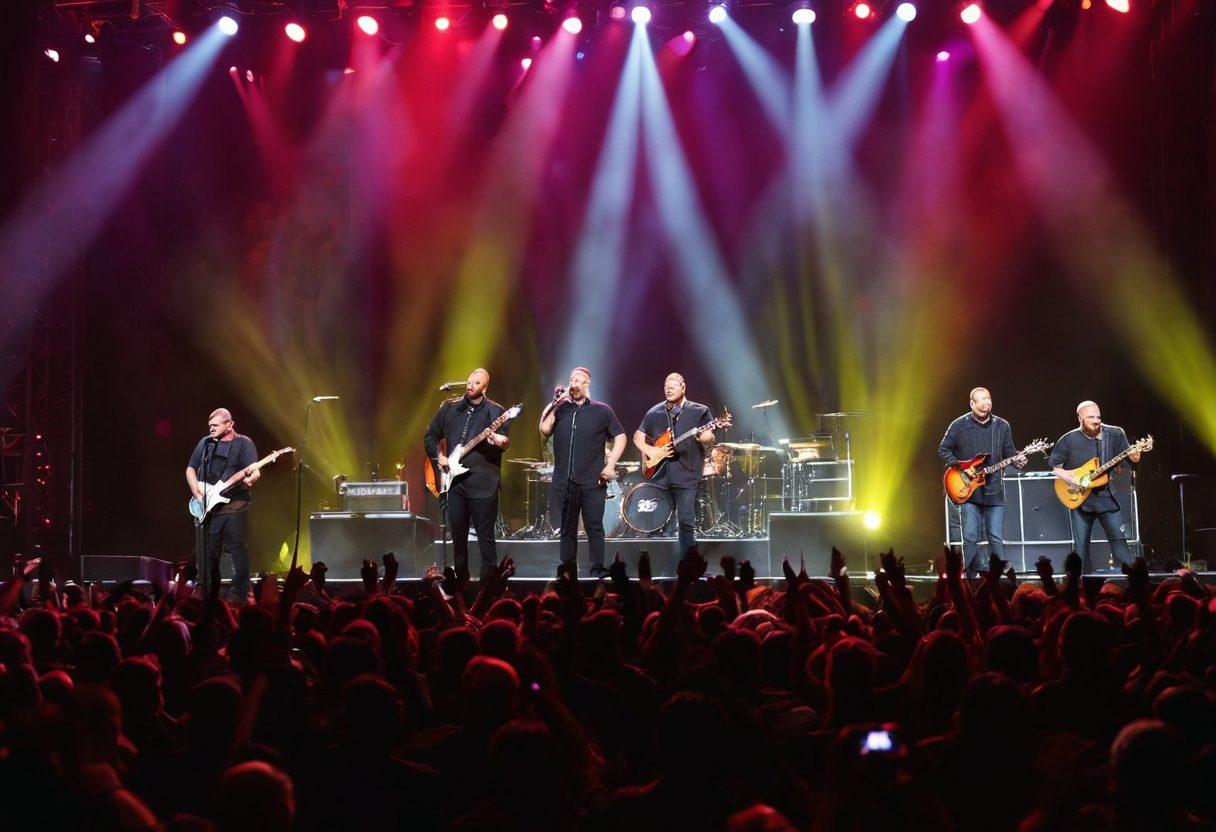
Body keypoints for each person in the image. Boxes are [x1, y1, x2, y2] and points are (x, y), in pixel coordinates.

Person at [424, 368, 511, 584]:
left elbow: (503, 443)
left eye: (477, 383)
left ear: (485, 387)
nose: (471, 385)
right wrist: (439, 456)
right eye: (470, 381)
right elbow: (431, 436)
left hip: (484, 483)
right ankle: (459, 581)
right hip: (456, 483)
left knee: (486, 537)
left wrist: (497, 440)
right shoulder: (449, 408)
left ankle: (488, 583)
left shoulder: (496, 412)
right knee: (458, 537)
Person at [539, 367, 627, 578]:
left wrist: (610, 465)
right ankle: (567, 570)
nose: (573, 384)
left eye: (578, 380)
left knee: (594, 525)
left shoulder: (602, 410)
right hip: (564, 479)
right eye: (571, 380)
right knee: (567, 527)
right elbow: (545, 429)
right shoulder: (561, 409)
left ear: (587, 384)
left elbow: (621, 437)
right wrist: (555, 403)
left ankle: (597, 568)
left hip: (593, 480)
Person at [938, 387, 1025, 577]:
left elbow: (1010, 454)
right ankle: (969, 579)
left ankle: (998, 580)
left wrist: (1018, 461)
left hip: (994, 491)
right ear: (972, 403)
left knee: (996, 537)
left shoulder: (1002, 425)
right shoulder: (958, 425)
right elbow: (944, 449)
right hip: (969, 491)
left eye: (989, 398)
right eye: (983, 399)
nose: (988, 402)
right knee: (970, 537)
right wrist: (961, 468)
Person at [633, 373, 717, 561]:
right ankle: (658, 562)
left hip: (687, 475)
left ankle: (687, 564)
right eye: (666, 386)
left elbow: (709, 437)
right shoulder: (654, 412)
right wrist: (652, 451)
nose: (668, 389)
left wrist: (706, 438)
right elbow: (638, 437)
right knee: (654, 520)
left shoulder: (700, 411)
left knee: (686, 522)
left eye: (673, 385)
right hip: (659, 477)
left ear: (683, 387)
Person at [1049, 400, 1140, 572]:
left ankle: (1131, 578)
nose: (1096, 421)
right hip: (1079, 498)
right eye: (1091, 417)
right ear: (1080, 418)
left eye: (1098, 417)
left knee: (1119, 541)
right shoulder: (1068, 439)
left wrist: (1135, 457)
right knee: (1081, 548)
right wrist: (1071, 478)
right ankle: (1082, 583)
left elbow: (1130, 460)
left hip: (1105, 496)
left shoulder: (1114, 434)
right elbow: (1055, 466)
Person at [186, 408, 259, 601]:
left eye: (215, 425)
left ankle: (240, 591)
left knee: (236, 546)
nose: (211, 428)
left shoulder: (244, 443)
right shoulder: (206, 443)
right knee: (210, 554)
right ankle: (211, 594)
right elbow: (191, 468)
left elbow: (255, 469)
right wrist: (195, 490)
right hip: (211, 507)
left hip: (236, 504)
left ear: (229, 424)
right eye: (209, 425)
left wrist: (252, 478)